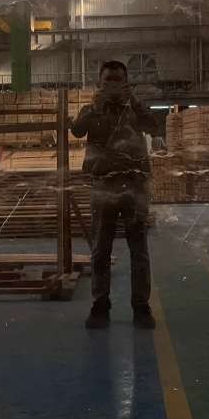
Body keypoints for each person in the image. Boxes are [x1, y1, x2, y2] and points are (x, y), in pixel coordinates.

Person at [71, 60, 158, 330]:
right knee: (100, 249)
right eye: (107, 79)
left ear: (126, 83)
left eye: (118, 79)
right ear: (99, 82)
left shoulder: (134, 108)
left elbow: (155, 125)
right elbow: (77, 130)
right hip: (103, 186)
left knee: (139, 250)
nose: (112, 84)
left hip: (134, 185)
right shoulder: (91, 109)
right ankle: (100, 306)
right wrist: (96, 107)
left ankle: (141, 307)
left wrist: (134, 101)